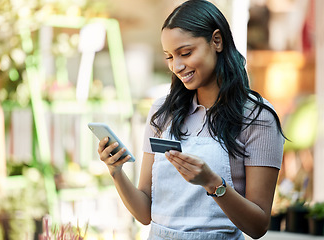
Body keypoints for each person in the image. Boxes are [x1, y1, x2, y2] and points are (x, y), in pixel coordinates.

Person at [97, 0, 285, 239]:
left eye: (185, 53)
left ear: (216, 41)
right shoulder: (163, 113)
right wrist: (116, 171)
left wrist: (212, 184)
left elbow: (258, 226)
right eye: (169, 57)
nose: (177, 66)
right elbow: (145, 213)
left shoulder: (257, 118)